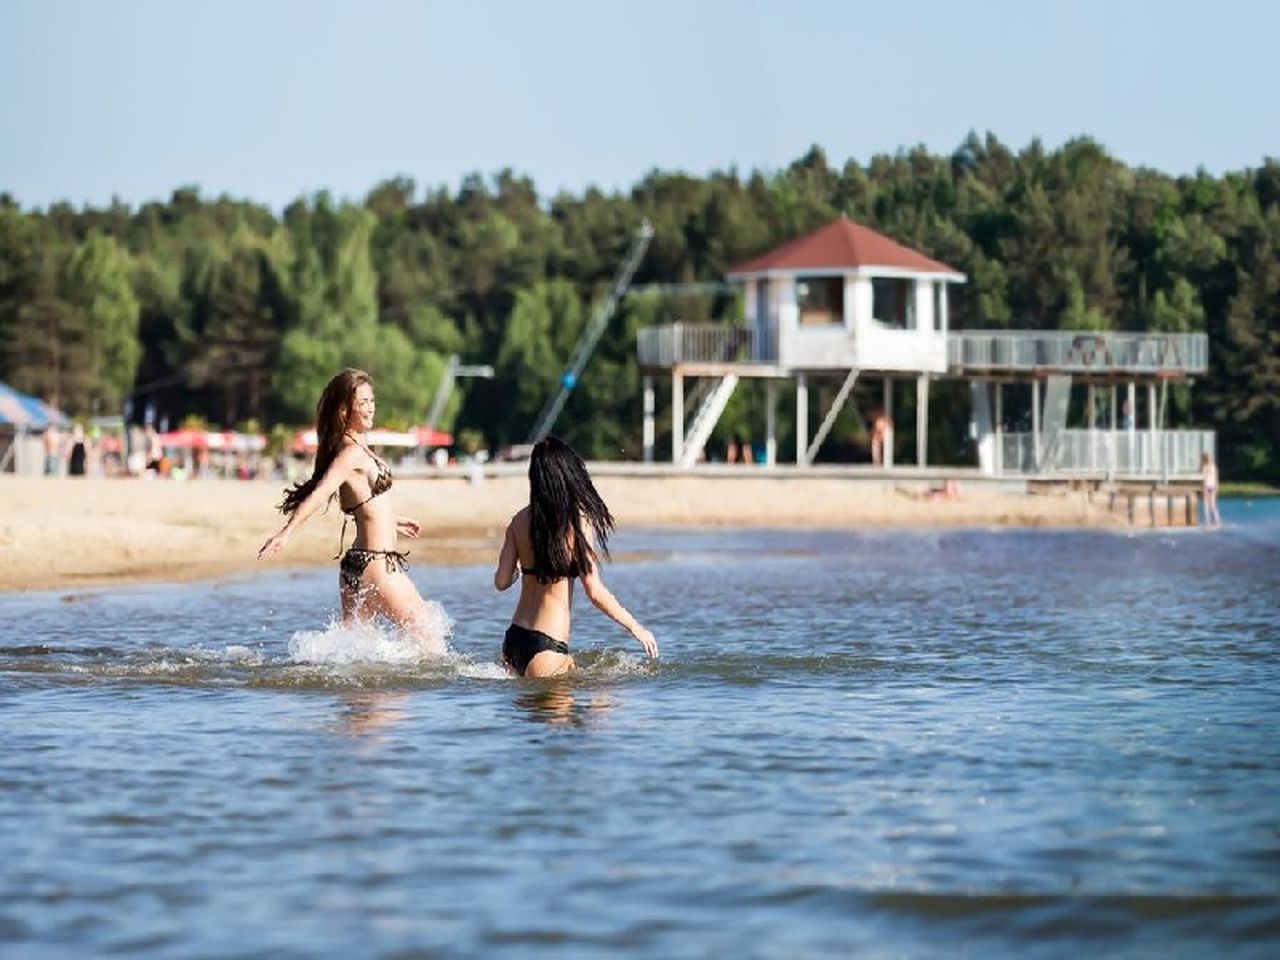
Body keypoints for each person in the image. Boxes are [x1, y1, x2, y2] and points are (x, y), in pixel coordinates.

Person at [258, 368, 448, 655]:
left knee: (356, 658)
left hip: (355, 567)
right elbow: (320, 494)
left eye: (372, 401)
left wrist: (392, 521)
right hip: (377, 565)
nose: (370, 407)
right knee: (431, 643)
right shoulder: (350, 453)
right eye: (363, 402)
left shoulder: (358, 446)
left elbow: (359, 503)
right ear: (345, 410)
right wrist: (286, 533)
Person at [494, 435, 658, 677]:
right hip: (548, 647)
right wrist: (636, 627)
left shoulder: (518, 521)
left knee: (528, 714)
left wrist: (519, 572)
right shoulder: (577, 523)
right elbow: (594, 591)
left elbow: (500, 582)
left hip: (514, 641)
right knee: (604, 701)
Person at [1200, 452, 1220, 528]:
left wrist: (1204, 488)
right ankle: (1217, 522)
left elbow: (1204, 479)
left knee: (1206, 505)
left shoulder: (1205, 467)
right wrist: (1217, 488)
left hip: (1207, 486)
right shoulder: (1213, 466)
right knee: (1213, 505)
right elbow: (1216, 478)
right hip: (1213, 486)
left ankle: (1207, 523)